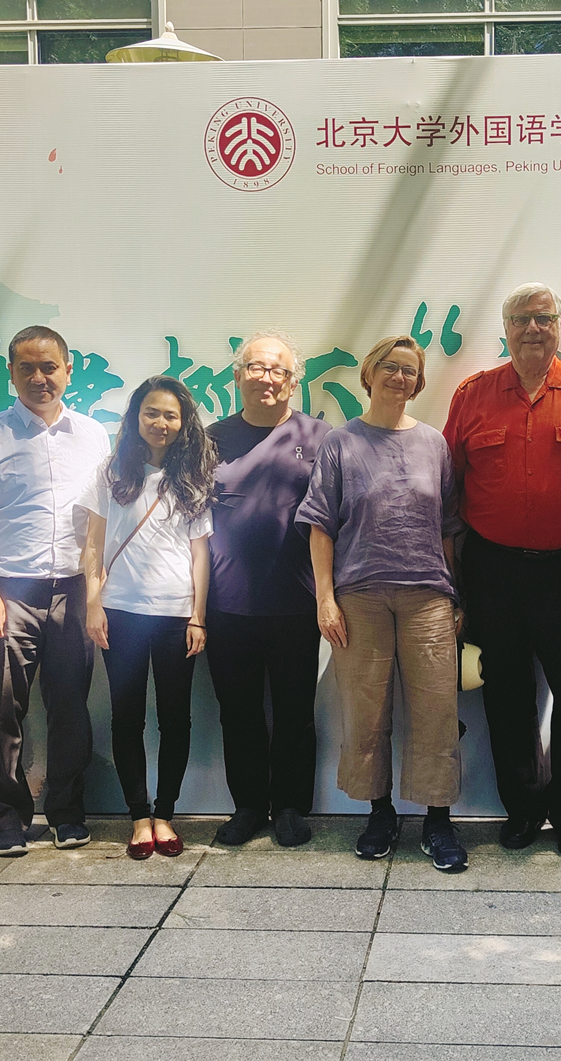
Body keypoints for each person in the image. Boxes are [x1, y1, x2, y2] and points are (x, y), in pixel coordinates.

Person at [443, 282, 561, 860]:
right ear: (506, 328)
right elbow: (447, 489)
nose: (532, 328)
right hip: (493, 570)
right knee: (506, 696)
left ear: (558, 326)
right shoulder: (473, 394)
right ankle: (522, 809)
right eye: (521, 318)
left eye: (543, 318)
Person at [297, 335, 467, 871]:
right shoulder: (340, 443)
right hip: (360, 596)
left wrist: (456, 593)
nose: (399, 377)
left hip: (428, 597)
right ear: (369, 374)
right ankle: (379, 814)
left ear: (419, 382)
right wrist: (325, 598)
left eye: (409, 370)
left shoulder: (434, 444)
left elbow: (448, 527)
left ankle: (438, 820)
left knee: (437, 713)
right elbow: (320, 526)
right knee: (366, 712)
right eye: (390, 367)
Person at [0, 325, 109, 857]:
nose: (39, 377)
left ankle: (67, 813)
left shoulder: (93, 435)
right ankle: (6, 820)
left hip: (74, 588)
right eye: (27, 368)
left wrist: (97, 590)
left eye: (49, 367)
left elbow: (102, 518)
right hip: (10, 591)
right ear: (11, 373)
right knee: (3, 710)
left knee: (70, 706)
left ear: (68, 370)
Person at [80, 376, 214, 860]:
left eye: (170, 415)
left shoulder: (193, 477)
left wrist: (197, 616)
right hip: (121, 612)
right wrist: (93, 604)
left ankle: (166, 815)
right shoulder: (112, 471)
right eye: (152, 413)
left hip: (176, 615)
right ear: (136, 416)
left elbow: (200, 554)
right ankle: (139, 817)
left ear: (183, 423)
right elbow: (93, 544)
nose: (161, 422)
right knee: (127, 718)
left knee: (176, 720)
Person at [206, 333, 331, 848]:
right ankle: (249, 806)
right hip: (225, 604)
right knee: (238, 712)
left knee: (295, 712)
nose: (267, 378)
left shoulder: (320, 437)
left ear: (293, 382)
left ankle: (291, 807)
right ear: (238, 376)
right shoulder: (210, 439)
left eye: (278, 370)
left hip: (297, 603)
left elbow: (334, 519)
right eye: (256, 367)